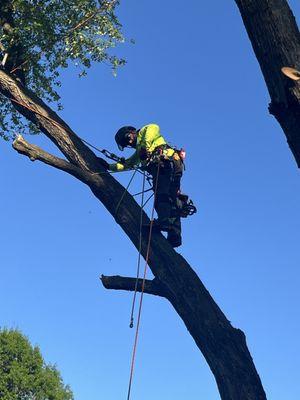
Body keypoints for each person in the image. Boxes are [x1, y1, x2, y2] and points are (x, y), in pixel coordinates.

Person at [100, 124, 184, 247]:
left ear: (132, 133)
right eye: (127, 144)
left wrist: (145, 148)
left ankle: (164, 222)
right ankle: (174, 235)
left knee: (161, 196)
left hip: (165, 164)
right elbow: (128, 164)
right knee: (172, 198)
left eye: (129, 140)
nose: (130, 144)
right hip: (171, 165)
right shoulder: (140, 150)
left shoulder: (147, 130)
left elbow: (153, 128)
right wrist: (109, 166)